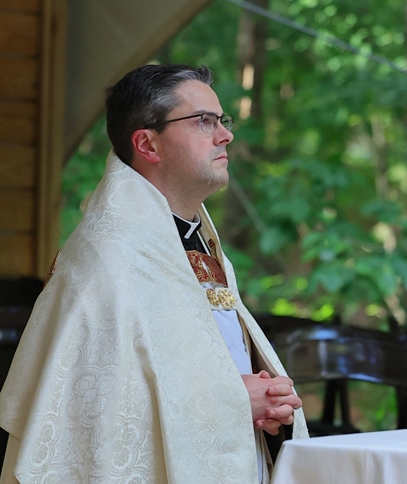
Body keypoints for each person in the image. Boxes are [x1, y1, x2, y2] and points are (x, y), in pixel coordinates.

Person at [0, 64, 308, 483]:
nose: (225, 135)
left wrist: (270, 407)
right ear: (147, 143)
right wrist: (233, 403)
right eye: (204, 121)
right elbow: (92, 420)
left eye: (222, 121)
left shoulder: (193, 237)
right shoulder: (106, 256)